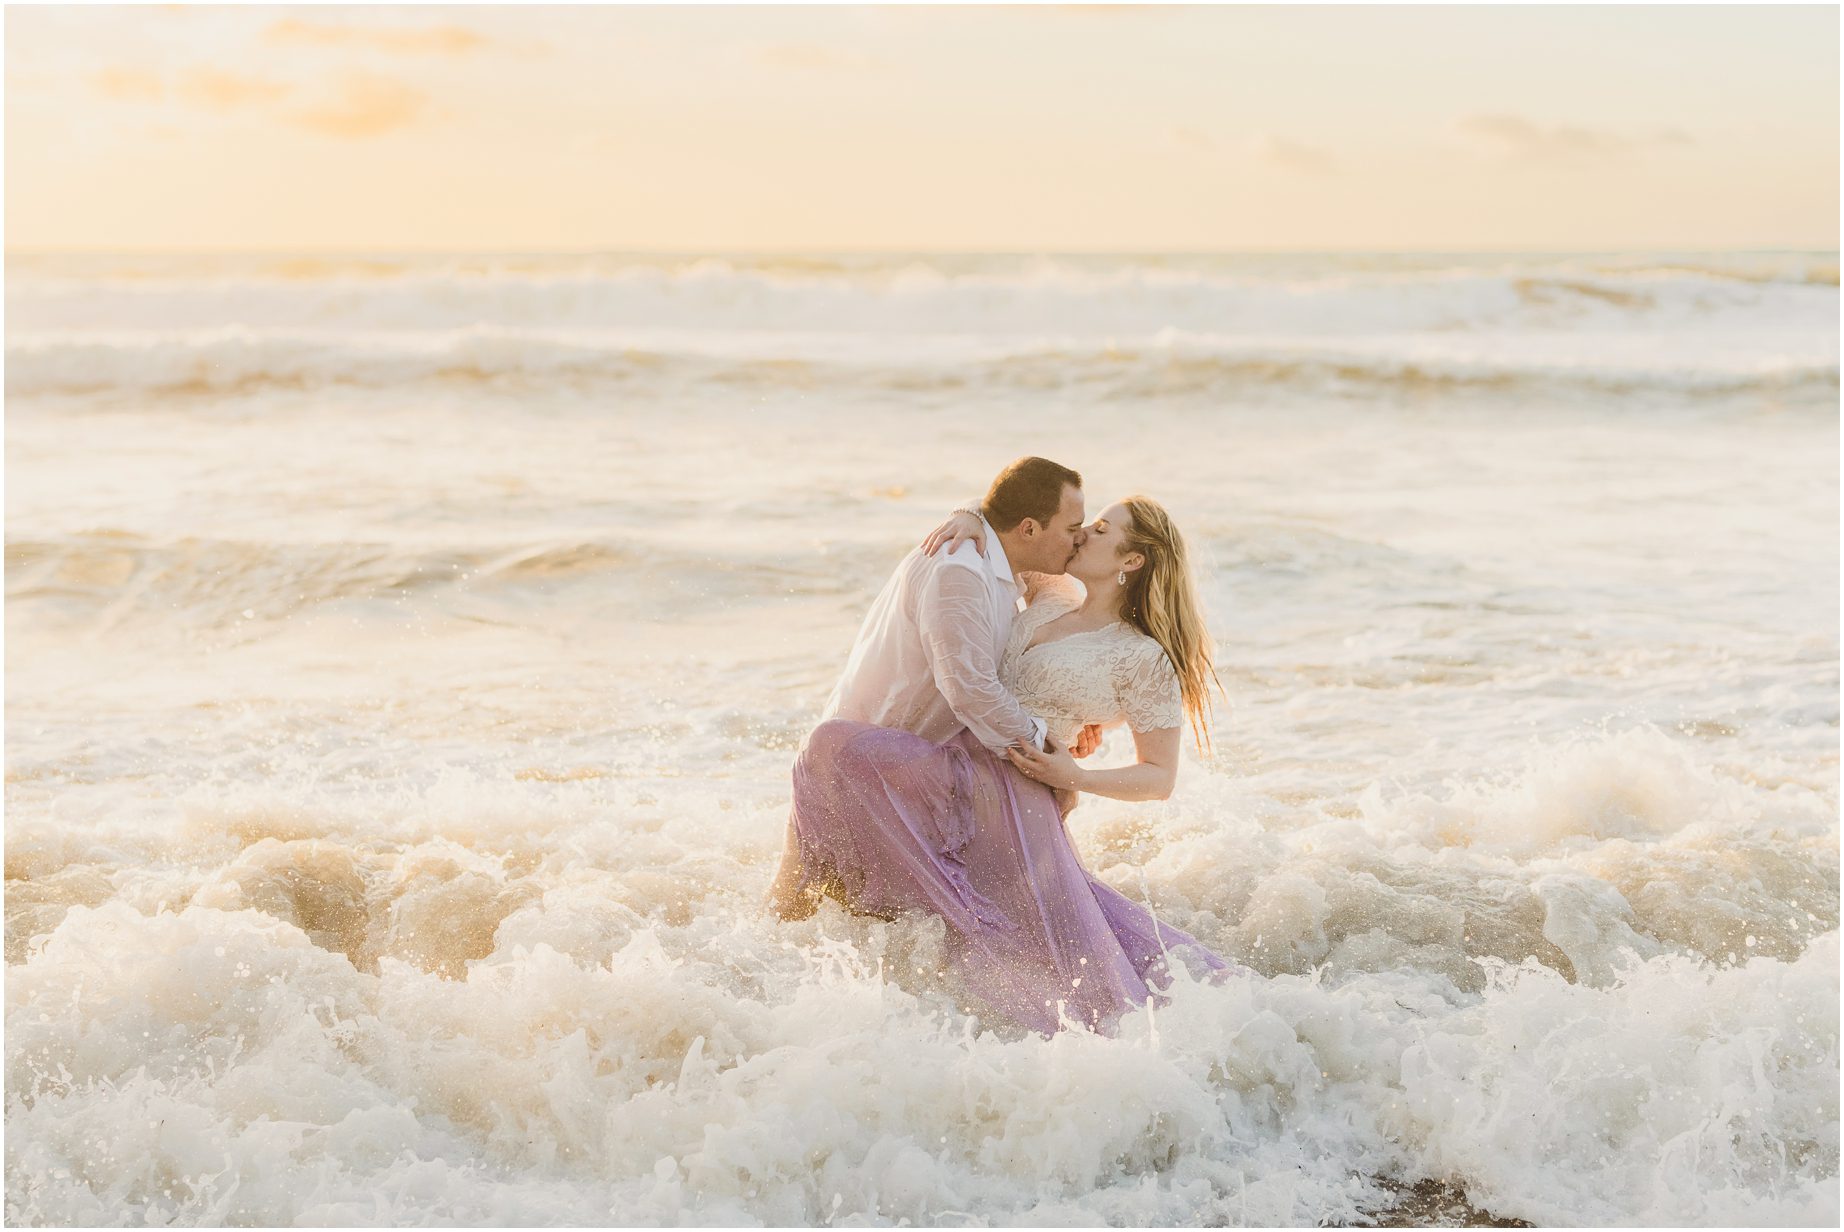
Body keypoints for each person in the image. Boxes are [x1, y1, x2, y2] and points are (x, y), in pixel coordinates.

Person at [769, 459, 1232, 1034]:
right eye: (1082, 524)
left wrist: (1075, 775)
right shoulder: (1052, 593)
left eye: (1101, 530)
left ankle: (1058, 1051)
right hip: (965, 762)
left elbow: (1159, 778)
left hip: (1020, 784)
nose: (1083, 533)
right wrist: (968, 514)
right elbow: (1012, 533)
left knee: (1034, 944)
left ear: (1132, 561)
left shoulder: (1143, 656)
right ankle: (832, 991)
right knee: (959, 906)